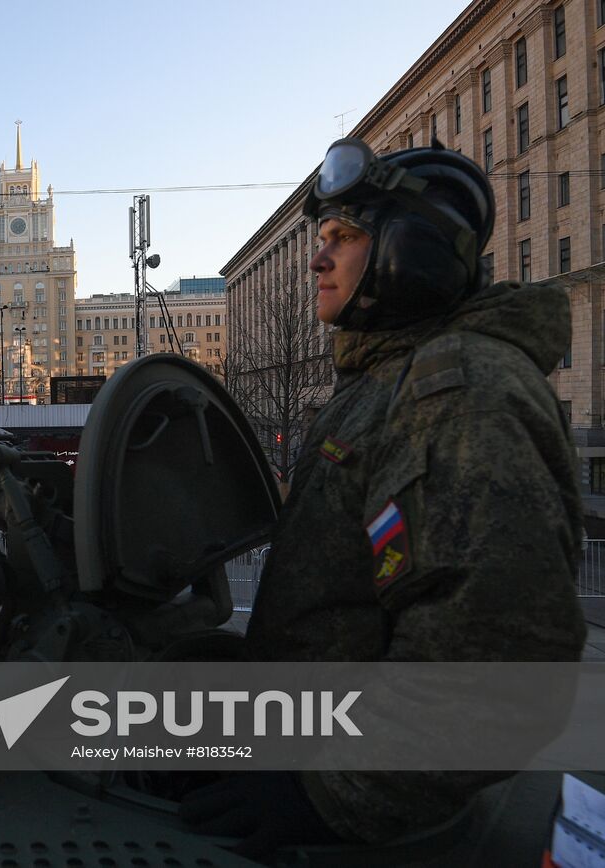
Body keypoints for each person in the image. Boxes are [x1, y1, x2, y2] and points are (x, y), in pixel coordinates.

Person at [179, 138, 587, 855]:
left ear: (411, 253)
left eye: (344, 237)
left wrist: (330, 794)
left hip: (374, 820)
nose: (317, 259)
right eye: (320, 237)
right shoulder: (385, 381)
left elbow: (497, 665)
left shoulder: (461, 394)